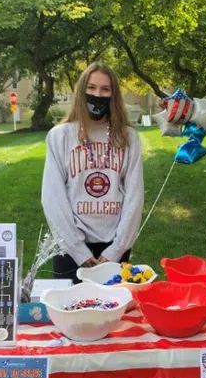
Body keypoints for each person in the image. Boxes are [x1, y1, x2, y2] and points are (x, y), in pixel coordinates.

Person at [42, 62, 144, 282]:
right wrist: (78, 250)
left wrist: (117, 249)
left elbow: (135, 196)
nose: (98, 94)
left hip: (114, 247)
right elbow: (53, 197)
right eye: (91, 88)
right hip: (70, 248)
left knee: (115, 313)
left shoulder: (128, 137)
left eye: (105, 89)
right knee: (69, 313)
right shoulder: (60, 136)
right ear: (81, 91)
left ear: (113, 95)